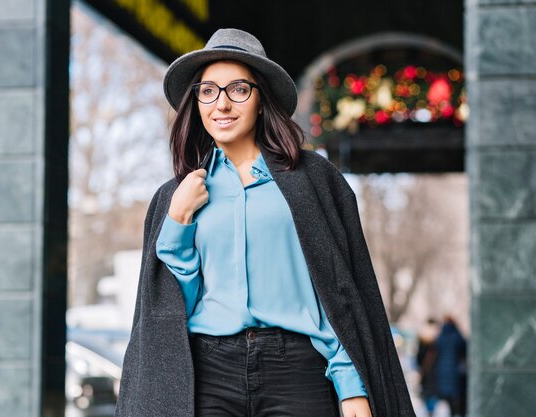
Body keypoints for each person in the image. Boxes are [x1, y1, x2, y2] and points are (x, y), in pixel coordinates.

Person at [114, 28, 414, 417]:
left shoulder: (314, 181)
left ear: (261, 99)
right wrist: (178, 220)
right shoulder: (178, 194)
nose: (221, 104)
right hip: (209, 372)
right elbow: (171, 310)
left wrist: (351, 384)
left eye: (238, 89)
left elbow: (339, 291)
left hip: (299, 370)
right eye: (208, 91)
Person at [435, 316, 467, 417]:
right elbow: (464, 347)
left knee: (446, 397)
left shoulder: (440, 337)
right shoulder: (456, 336)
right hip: (455, 371)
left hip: (442, 370)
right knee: (455, 397)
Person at [416, 318, 440, 416]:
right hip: (433, 374)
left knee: (427, 394)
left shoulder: (422, 339)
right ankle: (430, 411)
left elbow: (418, 358)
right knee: (431, 395)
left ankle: (429, 411)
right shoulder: (437, 340)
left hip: (426, 374)